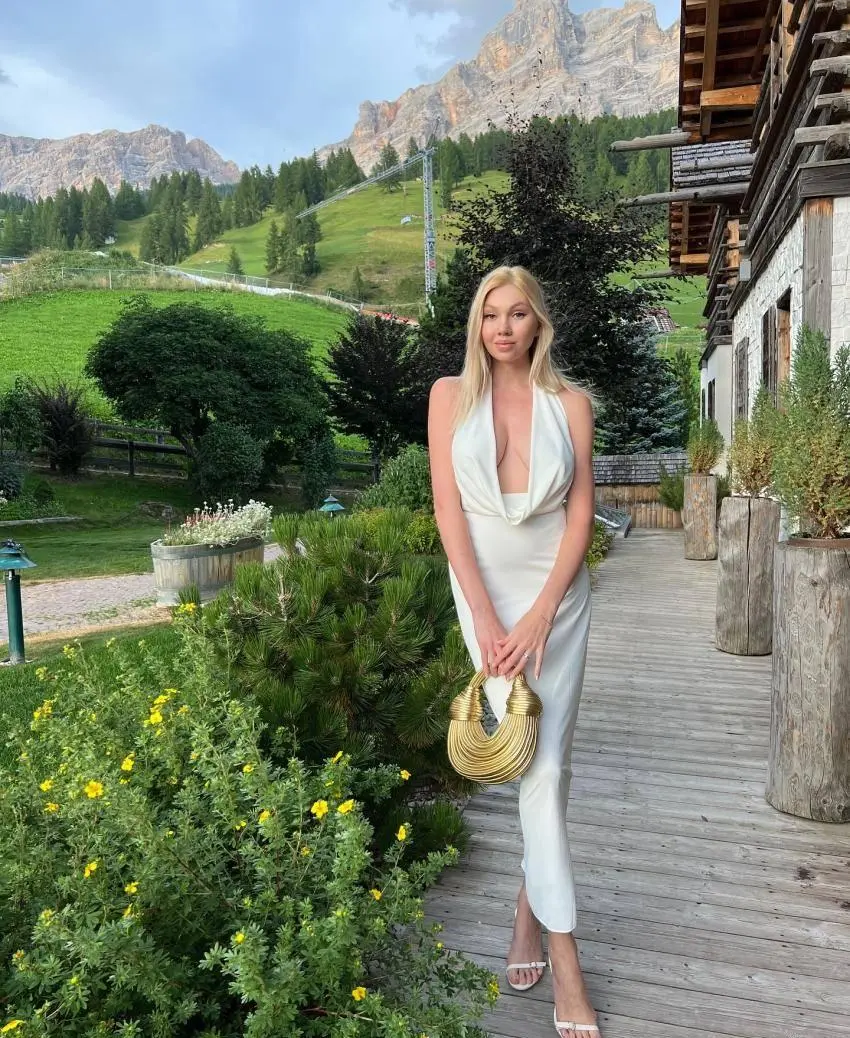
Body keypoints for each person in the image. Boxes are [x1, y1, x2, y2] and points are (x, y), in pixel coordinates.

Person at [428, 266, 599, 1038]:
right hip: (485, 598)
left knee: (547, 764)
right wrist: (487, 617)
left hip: (555, 602)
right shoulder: (447, 397)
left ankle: (547, 937)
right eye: (490, 314)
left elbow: (581, 515)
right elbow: (448, 513)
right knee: (538, 765)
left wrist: (540, 616)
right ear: (478, 324)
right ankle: (558, 944)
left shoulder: (572, 405)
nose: (502, 327)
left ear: (538, 324)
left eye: (517, 313)